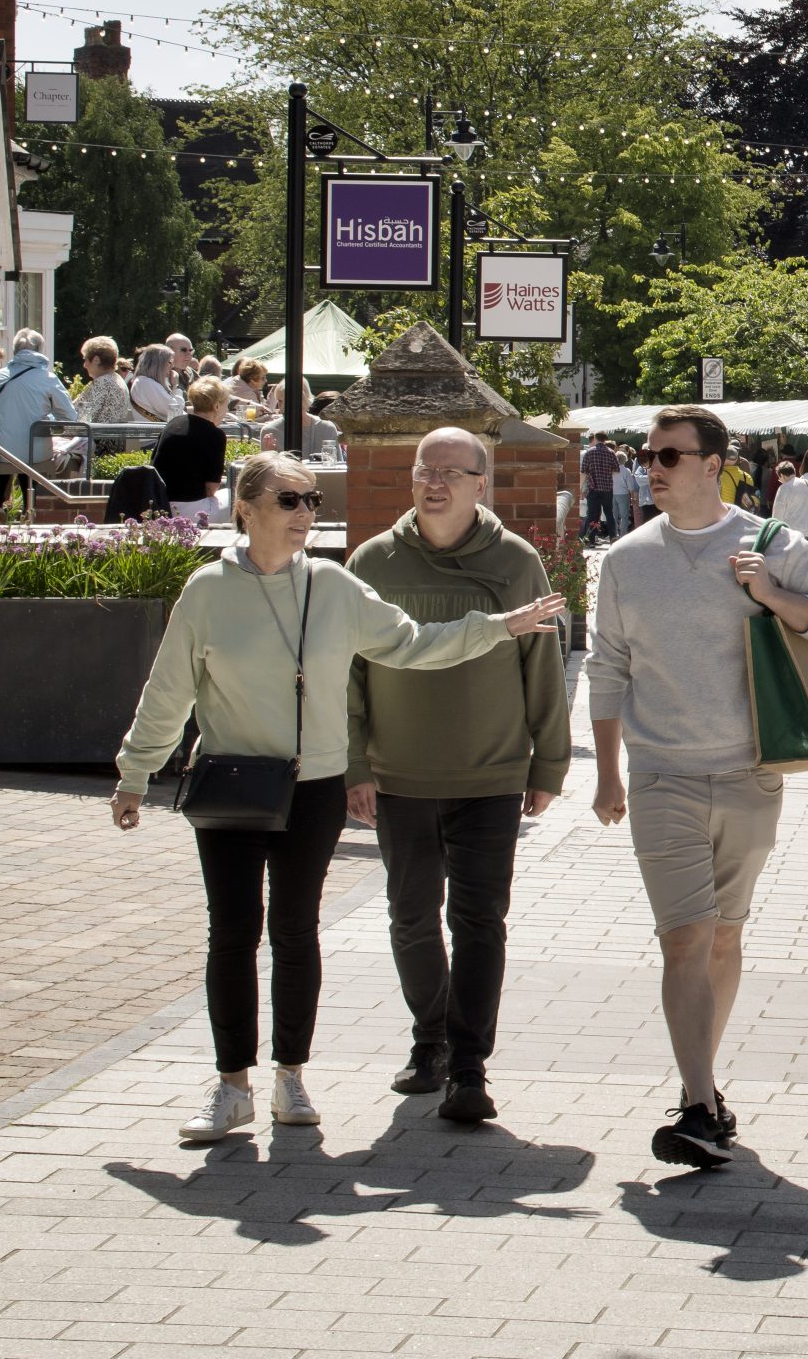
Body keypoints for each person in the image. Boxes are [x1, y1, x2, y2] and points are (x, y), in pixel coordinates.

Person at [110, 451, 563, 1144]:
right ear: (247, 508)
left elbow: (414, 645)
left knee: (295, 932)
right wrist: (135, 773)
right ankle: (232, 1085)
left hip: (313, 786)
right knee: (232, 933)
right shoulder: (206, 591)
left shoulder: (334, 586)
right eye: (290, 501)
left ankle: (291, 1075)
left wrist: (498, 626)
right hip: (231, 780)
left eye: (312, 502)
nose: (304, 516)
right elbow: (169, 689)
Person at [589, 403, 808, 1170]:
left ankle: (703, 1089)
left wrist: (773, 595)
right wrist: (608, 771)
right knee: (685, 936)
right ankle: (700, 1099)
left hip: (749, 773)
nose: (652, 468)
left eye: (668, 456)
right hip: (661, 774)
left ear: (713, 464)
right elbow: (608, 668)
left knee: (725, 935)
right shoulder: (626, 560)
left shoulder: (773, 543)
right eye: (648, 456)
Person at [346, 427, 569, 1123]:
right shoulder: (372, 562)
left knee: (479, 921)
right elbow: (344, 673)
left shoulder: (516, 561)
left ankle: (469, 1063)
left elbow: (544, 667)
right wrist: (353, 763)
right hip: (399, 775)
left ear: (481, 484)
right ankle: (429, 1037)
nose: (434, 482)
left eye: (451, 471)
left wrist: (550, 762)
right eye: (424, 470)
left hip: (491, 775)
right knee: (411, 918)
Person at [0, 327, 80, 479]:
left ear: (15, 350)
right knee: (34, 453)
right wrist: (49, 420)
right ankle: (33, 499)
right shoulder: (48, 378)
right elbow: (69, 416)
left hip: (0, 452)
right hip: (35, 454)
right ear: (39, 350)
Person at [152, 376, 233, 520]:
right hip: (192, 509)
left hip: (160, 503)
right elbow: (211, 488)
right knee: (236, 497)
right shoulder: (215, 435)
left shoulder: (173, 423)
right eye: (226, 404)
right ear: (216, 406)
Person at [75, 336, 137, 428]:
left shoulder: (102, 383)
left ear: (96, 360)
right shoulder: (117, 380)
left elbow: (77, 416)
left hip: (93, 440)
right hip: (108, 439)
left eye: (85, 359)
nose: (84, 365)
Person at [579, 432, 621, 545]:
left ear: (595, 439)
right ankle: (613, 537)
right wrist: (607, 471)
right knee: (609, 513)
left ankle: (591, 540)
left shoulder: (589, 452)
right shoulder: (611, 453)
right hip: (607, 488)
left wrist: (580, 487)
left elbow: (583, 471)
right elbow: (617, 470)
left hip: (593, 487)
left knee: (593, 514)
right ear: (605, 439)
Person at [129, 343, 180, 424]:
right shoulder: (146, 383)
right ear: (158, 364)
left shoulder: (145, 382)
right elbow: (175, 411)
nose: (172, 366)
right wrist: (176, 387)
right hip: (154, 434)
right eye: (169, 362)